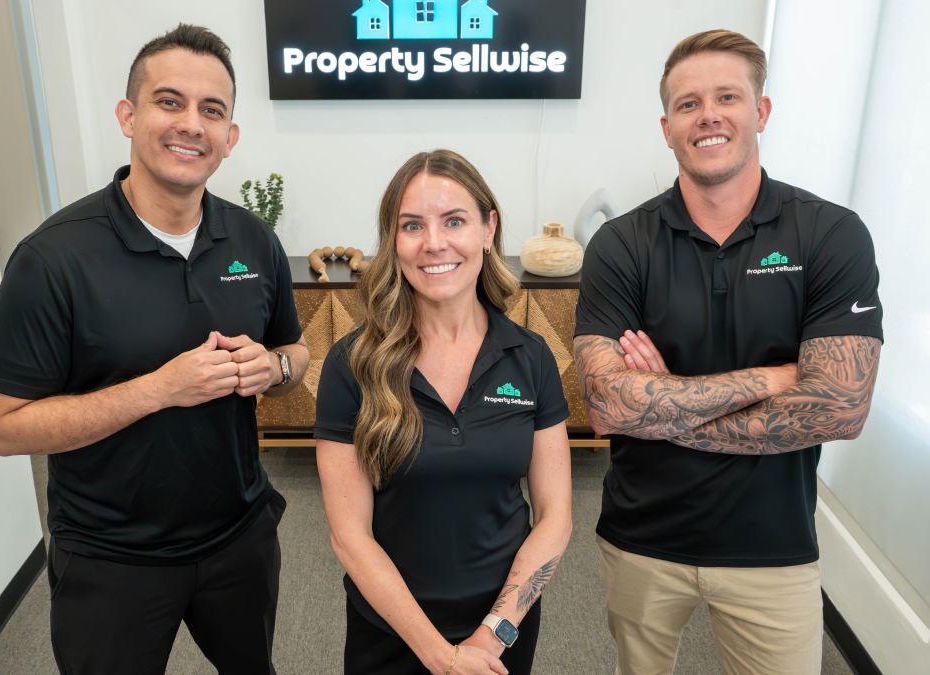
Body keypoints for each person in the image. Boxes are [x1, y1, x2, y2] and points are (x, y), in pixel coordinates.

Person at [0, 24, 308, 674]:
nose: (191, 124)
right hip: (110, 556)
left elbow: (297, 354)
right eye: (169, 101)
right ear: (128, 116)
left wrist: (272, 367)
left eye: (211, 110)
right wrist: (160, 388)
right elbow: (4, 427)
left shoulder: (253, 241)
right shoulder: (52, 259)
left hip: (238, 539)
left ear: (229, 138)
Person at [573, 30, 882, 675]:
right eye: (688, 104)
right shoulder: (622, 245)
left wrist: (665, 406)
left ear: (760, 112)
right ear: (667, 127)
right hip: (642, 542)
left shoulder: (830, 234)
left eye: (727, 97)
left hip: (774, 548)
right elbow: (606, 406)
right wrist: (774, 378)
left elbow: (839, 410)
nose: (708, 115)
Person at [314, 150, 573, 675]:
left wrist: (491, 637)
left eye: (454, 220)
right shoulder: (353, 363)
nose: (434, 243)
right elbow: (350, 536)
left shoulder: (530, 357)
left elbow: (555, 518)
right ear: (394, 241)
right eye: (412, 225)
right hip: (392, 632)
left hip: (503, 630)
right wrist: (440, 656)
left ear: (487, 228)